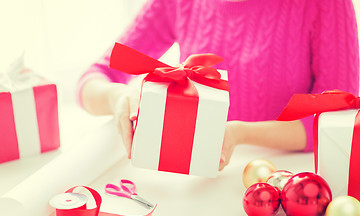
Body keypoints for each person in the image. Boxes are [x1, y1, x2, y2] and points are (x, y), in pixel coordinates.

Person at [77, 0, 359, 171]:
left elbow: (334, 116)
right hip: (199, 183)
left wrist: (237, 133)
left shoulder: (325, 4)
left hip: (288, 184)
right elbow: (95, 76)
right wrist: (118, 97)